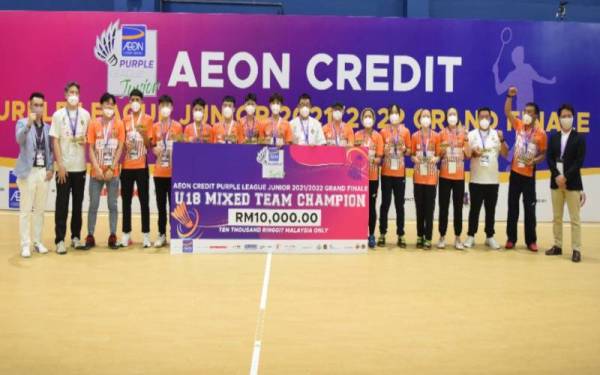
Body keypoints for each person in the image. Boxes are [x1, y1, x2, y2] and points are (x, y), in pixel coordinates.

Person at [504, 86, 547, 251]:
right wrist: (509, 96)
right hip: (515, 173)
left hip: (529, 175)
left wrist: (534, 161)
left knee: (529, 210)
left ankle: (531, 241)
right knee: (512, 207)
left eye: (530, 112)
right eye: (525, 112)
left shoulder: (541, 134)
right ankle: (511, 239)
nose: (526, 115)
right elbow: (507, 111)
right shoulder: (519, 125)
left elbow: (543, 153)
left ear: (536, 115)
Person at [50, 81, 91, 254]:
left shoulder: (86, 115)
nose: (74, 95)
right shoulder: (58, 115)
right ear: (65, 94)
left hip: (80, 167)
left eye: (76, 92)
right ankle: (60, 240)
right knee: (62, 204)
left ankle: (75, 237)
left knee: (77, 204)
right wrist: (60, 165)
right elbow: (55, 140)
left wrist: (84, 140)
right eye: (71, 92)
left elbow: (89, 137)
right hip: (64, 168)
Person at [15, 92, 54, 257]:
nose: (38, 108)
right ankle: (25, 244)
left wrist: (50, 167)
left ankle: (37, 242)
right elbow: (19, 140)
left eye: (41, 105)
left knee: (39, 210)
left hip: (42, 172)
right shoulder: (22, 123)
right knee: (25, 210)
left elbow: (49, 150)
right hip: (28, 172)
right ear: (29, 105)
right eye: (35, 105)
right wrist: (29, 124)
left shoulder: (46, 127)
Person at [546, 104, 585, 262]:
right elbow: (549, 159)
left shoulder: (579, 138)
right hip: (556, 183)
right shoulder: (554, 137)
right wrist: (557, 175)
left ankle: (576, 249)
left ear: (573, 117)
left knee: (574, 218)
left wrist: (565, 177)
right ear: (559, 118)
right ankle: (557, 245)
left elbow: (579, 161)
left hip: (572, 183)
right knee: (557, 217)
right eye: (564, 115)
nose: (566, 118)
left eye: (569, 115)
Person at [464, 107, 508, 249]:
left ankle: (490, 236)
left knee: (491, 210)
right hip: (476, 179)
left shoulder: (497, 134)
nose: (484, 119)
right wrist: (473, 152)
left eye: (486, 117)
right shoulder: (471, 135)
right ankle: (471, 235)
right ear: (477, 119)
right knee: (474, 210)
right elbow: (466, 155)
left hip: (492, 180)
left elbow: (506, 154)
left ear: (490, 118)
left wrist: (503, 140)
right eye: (481, 117)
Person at [86, 92, 125, 249]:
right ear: (101, 106)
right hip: (96, 173)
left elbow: (120, 148)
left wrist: (111, 168)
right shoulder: (94, 124)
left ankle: (113, 235)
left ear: (115, 107)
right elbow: (91, 148)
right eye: (106, 104)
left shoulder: (119, 125)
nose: (109, 107)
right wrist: (96, 167)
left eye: (112, 104)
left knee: (113, 205)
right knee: (93, 204)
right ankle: (90, 235)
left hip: (112, 173)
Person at [119, 89, 154, 248]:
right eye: (132, 99)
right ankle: (126, 234)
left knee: (144, 201)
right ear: (129, 102)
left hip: (142, 166)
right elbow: (121, 143)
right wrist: (127, 143)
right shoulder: (124, 120)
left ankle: (146, 235)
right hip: (127, 166)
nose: (134, 102)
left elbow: (149, 145)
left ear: (141, 103)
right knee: (126, 201)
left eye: (137, 100)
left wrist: (144, 134)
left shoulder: (148, 120)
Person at [377, 104, 411, 248]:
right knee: (385, 204)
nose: (394, 115)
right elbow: (380, 152)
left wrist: (404, 149)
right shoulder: (383, 132)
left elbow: (409, 151)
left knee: (399, 205)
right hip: (386, 172)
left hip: (400, 173)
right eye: (392, 113)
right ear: (389, 115)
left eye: (396, 113)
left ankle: (401, 234)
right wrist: (384, 150)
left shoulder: (405, 131)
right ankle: (382, 234)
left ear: (400, 115)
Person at [152, 95, 184, 248]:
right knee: (160, 206)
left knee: (174, 206)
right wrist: (154, 149)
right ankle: (161, 234)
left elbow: (181, 147)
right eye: (162, 105)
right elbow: (152, 145)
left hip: (174, 172)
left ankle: (175, 234)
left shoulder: (178, 126)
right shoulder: (155, 126)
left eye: (167, 105)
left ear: (171, 108)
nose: (165, 108)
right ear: (159, 108)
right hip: (159, 172)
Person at [436, 108, 468, 249]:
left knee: (458, 207)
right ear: (446, 117)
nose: (452, 117)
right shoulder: (441, 133)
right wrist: (443, 148)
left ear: (457, 117)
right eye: (450, 114)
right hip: (444, 175)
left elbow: (467, 154)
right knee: (443, 206)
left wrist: (466, 139)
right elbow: (438, 153)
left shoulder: (463, 132)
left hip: (459, 176)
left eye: (454, 114)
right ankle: (442, 236)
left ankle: (458, 237)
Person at [410, 109, 440, 249]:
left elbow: (440, 154)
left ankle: (428, 238)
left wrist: (436, 158)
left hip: (431, 178)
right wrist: (415, 159)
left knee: (429, 209)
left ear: (431, 119)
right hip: (418, 177)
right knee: (419, 208)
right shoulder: (415, 136)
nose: (426, 118)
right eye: (423, 116)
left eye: (428, 116)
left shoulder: (436, 136)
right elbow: (411, 154)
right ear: (419, 119)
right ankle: (419, 236)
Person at [354, 108, 383, 248]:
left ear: (373, 119)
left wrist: (371, 159)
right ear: (361, 119)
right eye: (365, 116)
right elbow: (352, 154)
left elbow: (379, 158)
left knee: (371, 207)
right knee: (359, 206)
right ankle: (358, 233)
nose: (367, 118)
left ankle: (371, 234)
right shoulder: (357, 135)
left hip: (372, 177)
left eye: (370, 116)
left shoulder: (377, 136)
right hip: (358, 177)